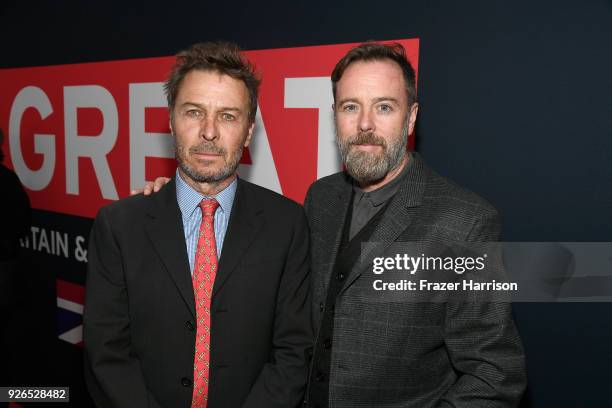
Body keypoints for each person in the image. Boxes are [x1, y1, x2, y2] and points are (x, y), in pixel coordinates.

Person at [140, 42, 527, 407]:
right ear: (335, 116)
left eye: (385, 108)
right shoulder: (321, 198)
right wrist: (180, 198)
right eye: (350, 107)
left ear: (410, 118)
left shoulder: (466, 222)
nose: (365, 125)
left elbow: (494, 373)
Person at [83, 42, 312, 408]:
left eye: (228, 116)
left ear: (249, 132)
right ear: (172, 121)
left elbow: (293, 352)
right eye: (194, 112)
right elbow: (106, 355)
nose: (209, 132)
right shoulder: (119, 226)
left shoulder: (287, 224)